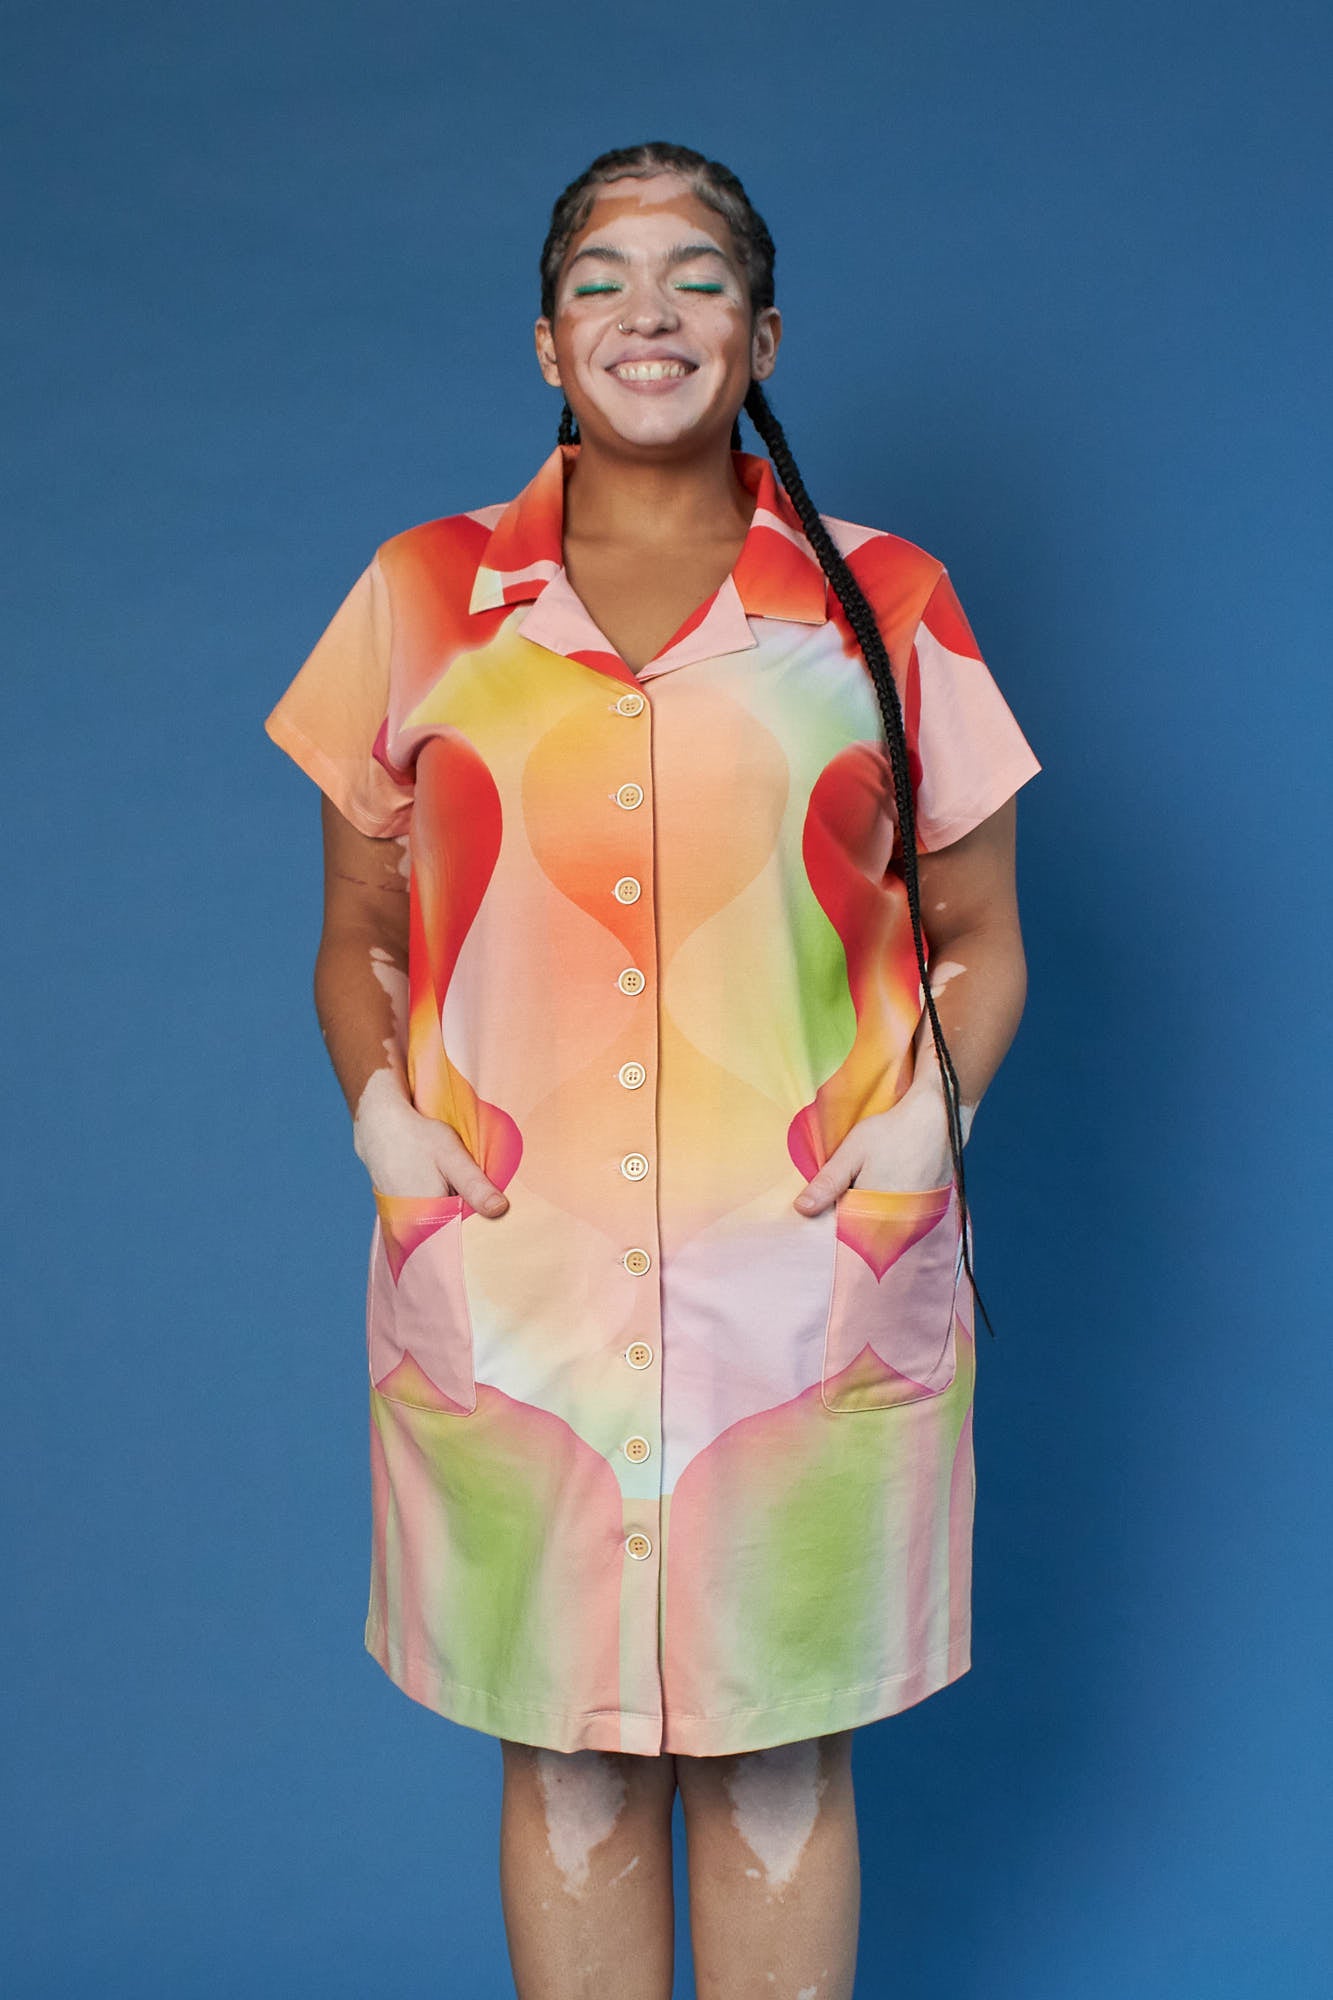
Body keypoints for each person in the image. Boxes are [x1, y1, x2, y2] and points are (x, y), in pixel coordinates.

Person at [263, 140, 1041, 2000]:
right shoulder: (422, 594)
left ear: (759, 336)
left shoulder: (886, 601)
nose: (649, 310)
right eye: (600, 278)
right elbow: (361, 927)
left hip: (806, 1281)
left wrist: (918, 1137)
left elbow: (979, 934)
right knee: (569, 1753)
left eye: (698, 277)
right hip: (513, 1283)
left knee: (777, 1753)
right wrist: (385, 1128)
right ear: (548, 343)